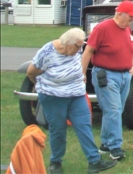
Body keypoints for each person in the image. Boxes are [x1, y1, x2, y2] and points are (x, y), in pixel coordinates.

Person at [31, 27, 117, 173]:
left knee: (84, 125)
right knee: (58, 129)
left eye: (81, 46)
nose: (79, 50)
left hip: (77, 95)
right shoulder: (47, 52)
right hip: (54, 97)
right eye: (78, 46)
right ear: (68, 43)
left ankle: (94, 161)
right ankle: (55, 162)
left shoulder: (76, 49)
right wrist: (43, 87)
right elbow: (31, 72)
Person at [81, 0, 133, 162]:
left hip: (124, 75)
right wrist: (82, 73)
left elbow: (130, 49)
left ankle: (106, 144)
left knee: (115, 110)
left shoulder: (127, 29)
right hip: (106, 74)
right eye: (130, 16)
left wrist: (131, 66)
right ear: (120, 14)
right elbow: (88, 51)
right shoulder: (102, 28)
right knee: (113, 109)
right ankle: (115, 147)